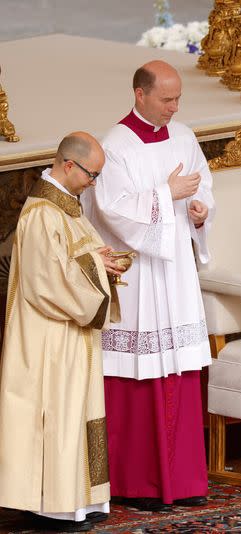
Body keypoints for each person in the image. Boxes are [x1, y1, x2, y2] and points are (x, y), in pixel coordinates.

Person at [82, 60, 215, 511]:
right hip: (138, 276)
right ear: (140, 95)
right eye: (166, 99)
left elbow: (203, 185)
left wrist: (200, 209)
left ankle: (185, 480)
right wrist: (166, 195)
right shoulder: (114, 146)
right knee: (138, 376)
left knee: (178, 366)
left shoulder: (184, 135)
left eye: (178, 98)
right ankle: (138, 483)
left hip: (175, 271)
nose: (174, 107)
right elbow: (109, 210)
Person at [0, 132, 123, 532]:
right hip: (49, 335)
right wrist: (96, 268)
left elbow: (76, 256)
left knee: (79, 413)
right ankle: (54, 506)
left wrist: (101, 259)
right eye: (92, 174)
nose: (93, 182)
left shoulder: (68, 207)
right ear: (69, 165)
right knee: (57, 415)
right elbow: (45, 281)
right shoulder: (40, 213)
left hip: (73, 332)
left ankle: (84, 499)